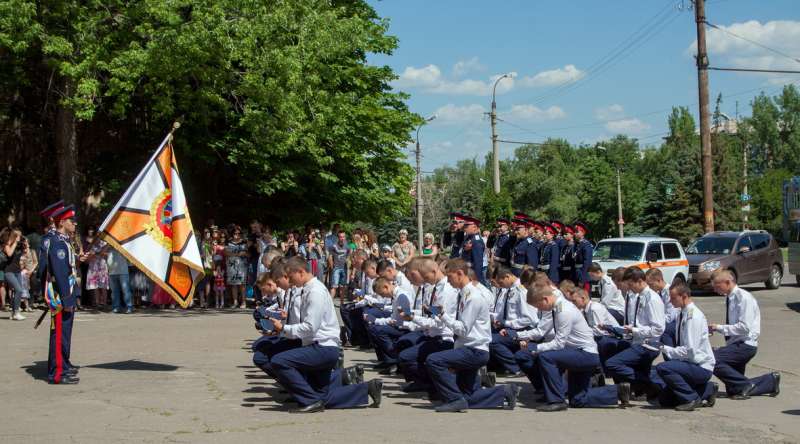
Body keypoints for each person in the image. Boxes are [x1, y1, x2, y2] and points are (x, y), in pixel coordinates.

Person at [266, 256, 382, 413]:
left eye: (290, 276)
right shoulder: (308, 289)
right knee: (322, 396)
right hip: (319, 346)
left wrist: (284, 329)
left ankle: (310, 401)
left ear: (300, 272)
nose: (290, 280)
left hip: (323, 347)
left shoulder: (315, 292)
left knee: (280, 361)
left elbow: (310, 328)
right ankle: (367, 388)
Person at [424, 259, 518, 412]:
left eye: (450, 277)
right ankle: (504, 392)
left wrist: (442, 315)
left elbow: (463, 330)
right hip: (469, 348)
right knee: (468, 397)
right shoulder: (464, 295)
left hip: (474, 350)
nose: (448, 281)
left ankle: (454, 400)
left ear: (460, 274)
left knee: (434, 360)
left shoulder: (473, 297)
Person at [524, 284, 629, 411]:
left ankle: (556, 400)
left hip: (585, 354)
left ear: (545, 299)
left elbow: (559, 344)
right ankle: (618, 391)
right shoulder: (559, 307)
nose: (539, 309)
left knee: (546, 357)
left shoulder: (563, 311)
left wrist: (536, 348)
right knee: (577, 400)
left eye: (538, 306)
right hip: (579, 353)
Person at [708, 269, 780, 399]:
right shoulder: (731, 298)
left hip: (745, 345)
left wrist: (719, 328)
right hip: (734, 343)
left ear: (728, 282)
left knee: (710, 358)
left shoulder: (744, 298)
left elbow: (744, 328)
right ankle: (770, 381)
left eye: (716, 286)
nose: (714, 289)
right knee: (734, 390)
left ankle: (745, 384)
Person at [649, 283, 717, 411]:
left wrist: (664, 348)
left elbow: (690, 351)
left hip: (700, 366)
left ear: (684, 296)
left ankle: (691, 398)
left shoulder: (693, 317)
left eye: (673, 298)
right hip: (689, 363)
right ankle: (708, 389)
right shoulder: (682, 313)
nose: (670, 301)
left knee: (663, 368)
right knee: (665, 400)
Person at [397, 257, 458, 394]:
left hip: (443, 337)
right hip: (433, 334)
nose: (425, 279)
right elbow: (430, 314)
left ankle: (433, 383)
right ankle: (428, 382)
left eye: (426, 276)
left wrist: (412, 318)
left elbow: (438, 322)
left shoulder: (445, 290)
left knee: (406, 357)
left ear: (434, 271)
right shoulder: (437, 287)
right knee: (405, 353)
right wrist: (412, 315)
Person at [602, 267, 665, 397]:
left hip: (647, 344)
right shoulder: (640, 296)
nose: (630, 288)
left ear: (640, 281)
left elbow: (658, 329)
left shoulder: (651, 299)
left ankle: (652, 384)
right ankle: (636, 387)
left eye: (631, 284)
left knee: (612, 364)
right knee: (608, 345)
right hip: (636, 340)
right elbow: (638, 320)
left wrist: (635, 330)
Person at [41, 204, 80, 384]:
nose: (75, 224)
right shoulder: (57, 242)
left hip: (67, 291)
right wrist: (66, 298)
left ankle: (63, 365)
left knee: (64, 333)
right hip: (60, 294)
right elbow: (59, 272)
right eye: (72, 221)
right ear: (62, 222)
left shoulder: (63, 240)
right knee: (59, 334)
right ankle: (57, 373)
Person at [488, 266, 538, 376]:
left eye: (501, 282)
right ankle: (497, 366)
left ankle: (517, 368)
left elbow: (530, 319)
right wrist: (498, 321)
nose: (500, 285)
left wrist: (505, 323)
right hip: (509, 328)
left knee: (491, 340)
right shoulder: (509, 290)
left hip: (522, 330)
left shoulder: (521, 291)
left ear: (507, 276)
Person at [364, 277, 415, 373]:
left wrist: (378, 321)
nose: (383, 297)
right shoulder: (396, 296)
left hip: (406, 328)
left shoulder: (401, 296)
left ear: (386, 287)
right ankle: (390, 360)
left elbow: (403, 320)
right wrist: (376, 321)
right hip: (400, 325)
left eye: (382, 294)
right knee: (373, 328)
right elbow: (394, 318)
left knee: (378, 330)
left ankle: (396, 360)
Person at [645, 268, 679, 346]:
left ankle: (670, 356)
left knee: (662, 330)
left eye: (651, 284)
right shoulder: (659, 292)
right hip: (667, 321)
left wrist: (656, 321)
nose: (649, 287)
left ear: (659, 280)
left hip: (676, 323)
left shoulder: (669, 292)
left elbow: (670, 317)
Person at [3, 228, 28, 320]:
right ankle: (17, 312)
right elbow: (9, 254)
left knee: (15, 292)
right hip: (9, 271)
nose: (20, 237)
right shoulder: (7, 245)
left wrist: (25, 246)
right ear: (14, 236)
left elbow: (25, 254)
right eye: (18, 236)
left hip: (17, 271)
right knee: (19, 290)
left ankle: (13, 313)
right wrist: (15, 243)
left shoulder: (18, 245)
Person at [225, 226, 249, 309]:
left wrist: (244, 254)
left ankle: (243, 301)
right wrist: (237, 254)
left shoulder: (245, 242)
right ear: (232, 234)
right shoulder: (228, 242)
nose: (237, 235)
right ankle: (235, 302)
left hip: (242, 266)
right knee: (233, 284)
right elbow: (226, 253)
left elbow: (249, 254)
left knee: (242, 284)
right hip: (232, 266)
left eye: (239, 233)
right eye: (235, 233)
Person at [459, 216, 487, 286]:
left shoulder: (476, 241)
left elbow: (478, 263)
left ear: (474, 227)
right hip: (467, 271)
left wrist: (476, 279)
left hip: (473, 275)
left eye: (467, 226)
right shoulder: (469, 238)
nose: (464, 227)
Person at [107, 247, 133, 314]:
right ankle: (116, 307)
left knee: (125, 290)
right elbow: (101, 253)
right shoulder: (108, 247)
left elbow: (130, 257)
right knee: (114, 291)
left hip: (123, 271)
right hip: (112, 271)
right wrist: (107, 245)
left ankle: (129, 307)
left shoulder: (124, 246)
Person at [327, 231, 350, 302]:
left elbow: (348, 256)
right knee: (334, 286)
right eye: (340, 237)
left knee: (342, 287)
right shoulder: (333, 246)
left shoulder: (347, 246)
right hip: (336, 268)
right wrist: (332, 266)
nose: (342, 238)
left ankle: (342, 304)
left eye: (343, 237)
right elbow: (330, 257)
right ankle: (330, 303)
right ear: (338, 238)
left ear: (345, 237)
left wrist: (348, 263)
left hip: (344, 268)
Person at [572, 222, 593, 290]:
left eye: (577, 232)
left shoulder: (586, 245)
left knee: (584, 296)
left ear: (583, 233)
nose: (574, 234)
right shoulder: (576, 245)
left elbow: (587, 263)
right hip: (576, 274)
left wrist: (582, 279)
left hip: (583, 274)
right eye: (574, 232)